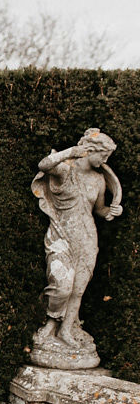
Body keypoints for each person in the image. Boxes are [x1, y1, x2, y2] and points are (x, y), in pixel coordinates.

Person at [32, 128, 122, 349]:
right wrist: (72, 151)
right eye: (103, 155)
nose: (104, 160)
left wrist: (110, 211)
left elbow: (98, 209)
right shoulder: (66, 170)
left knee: (78, 288)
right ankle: (51, 324)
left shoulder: (99, 180)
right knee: (62, 286)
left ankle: (65, 330)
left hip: (87, 238)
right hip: (61, 237)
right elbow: (43, 165)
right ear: (90, 150)